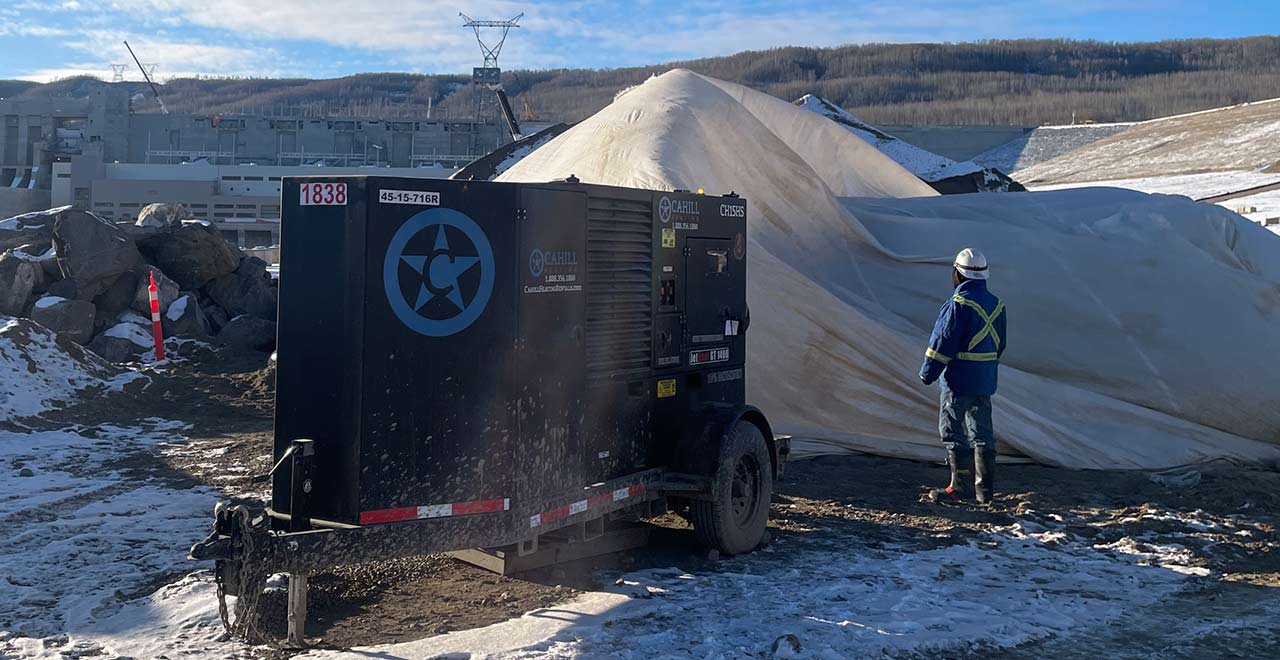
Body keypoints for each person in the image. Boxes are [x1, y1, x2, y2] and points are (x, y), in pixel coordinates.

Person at [919, 248, 1007, 506]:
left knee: (952, 431)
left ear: (957, 274)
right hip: (985, 381)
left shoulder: (958, 305)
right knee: (982, 433)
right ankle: (985, 492)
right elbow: (1000, 345)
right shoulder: (997, 305)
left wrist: (928, 373)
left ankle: (959, 488)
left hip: (959, 381)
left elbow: (942, 343)